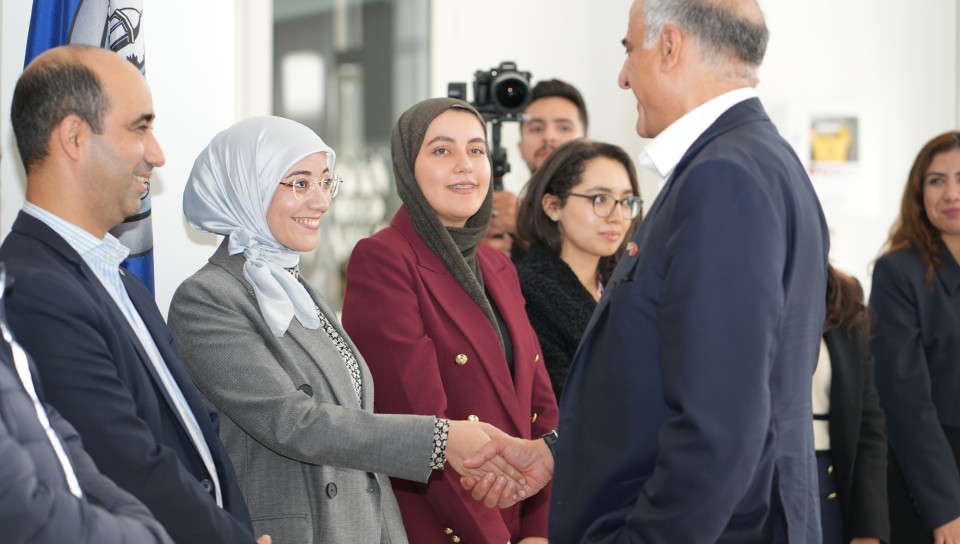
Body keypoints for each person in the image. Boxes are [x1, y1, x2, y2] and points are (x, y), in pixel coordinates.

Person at [464, 1, 829, 541]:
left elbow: (720, 427)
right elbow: (669, 381)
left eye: (628, 50)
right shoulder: (762, 161)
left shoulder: (723, 178)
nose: (623, 75)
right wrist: (560, 453)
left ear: (671, 46)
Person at [168, 115, 529, 544]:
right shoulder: (207, 299)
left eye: (325, 182)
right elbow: (292, 423)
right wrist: (440, 439)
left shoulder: (297, 290)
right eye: (300, 184)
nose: (320, 201)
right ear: (247, 186)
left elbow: (357, 434)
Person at [0, 45, 264, 544]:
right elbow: (122, 462)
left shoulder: (123, 281)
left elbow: (197, 438)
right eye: (139, 127)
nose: (157, 154)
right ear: (74, 137)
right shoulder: (34, 287)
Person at [341, 97, 559, 544]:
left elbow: (541, 408)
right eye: (442, 150)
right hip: (445, 526)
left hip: (519, 520)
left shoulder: (498, 266)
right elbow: (421, 428)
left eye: (476, 150)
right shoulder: (384, 259)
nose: (465, 165)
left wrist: (537, 531)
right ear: (407, 167)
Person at [0, 265, 173, 544]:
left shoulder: (130, 283)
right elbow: (21, 510)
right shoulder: (40, 285)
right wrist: (142, 535)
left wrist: (140, 523)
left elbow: (59, 437)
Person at [869, 131, 960, 543]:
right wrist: (945, 507)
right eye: (937, 180)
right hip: (931, 477)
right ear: (919, 193)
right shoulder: (898, 273)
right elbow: (906, 401)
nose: (951, 193)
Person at [514, 139, 641, 400]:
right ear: (552, 206)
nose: (617, 216)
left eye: (627, 201)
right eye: (600, 199)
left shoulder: (632, 284)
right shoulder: (526, 293)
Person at [817, 265, 889, 544]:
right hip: (758, 489)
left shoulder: (841, 295)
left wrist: (869, 530)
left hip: (828, 487)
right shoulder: (744, 290)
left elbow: (869, 425)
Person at [483, 79, 589, 258]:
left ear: (585, 141)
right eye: (537, 128)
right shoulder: (506, 222)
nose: (549, 137)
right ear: (520, 147)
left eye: (563, 128)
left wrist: (525, 223)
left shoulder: (606, 208)